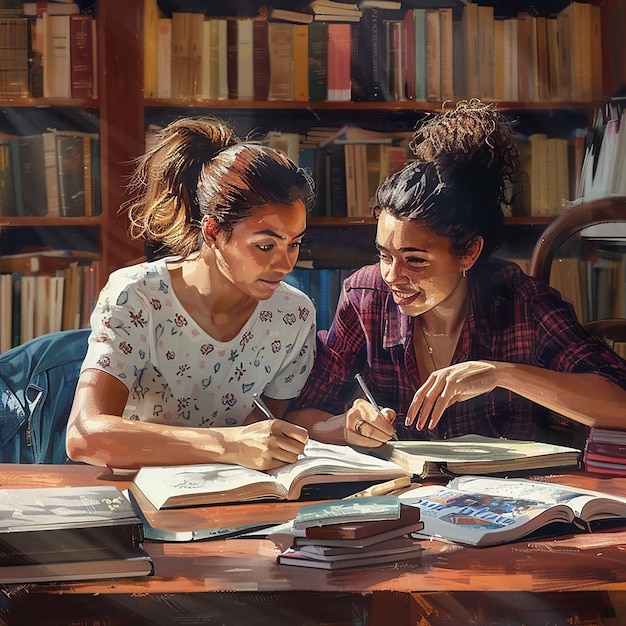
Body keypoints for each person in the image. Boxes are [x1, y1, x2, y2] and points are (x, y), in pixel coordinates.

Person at [287, 100, 626, 447]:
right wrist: (345, 426)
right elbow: (301, 413)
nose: (392, 275)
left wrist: (501, 374)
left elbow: (620, 402)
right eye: (384, 255)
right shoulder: (365, 296)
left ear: (469, 252)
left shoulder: (522, 303)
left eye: (415, 260)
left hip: (509, 496)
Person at [66, 116, 316, 470]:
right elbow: (85, 436)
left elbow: (266, 441)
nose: (284, 264)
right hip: (140, 501)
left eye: (294, 244)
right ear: (213, 232)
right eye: (265, 246)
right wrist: (224, 445)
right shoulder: (137, 296)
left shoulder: (295, 315)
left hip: (240, 502)